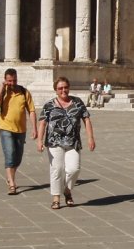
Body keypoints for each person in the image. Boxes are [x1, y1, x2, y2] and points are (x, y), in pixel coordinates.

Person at [36, 77, 95, 210]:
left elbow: (86, 119)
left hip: (73, 141)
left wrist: (90, 138)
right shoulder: (49, 105)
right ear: (56, 90)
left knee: (74, 169)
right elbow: (42, 123)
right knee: (57, 170)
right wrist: (39, 140)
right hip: (54, 142)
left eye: (65, 87)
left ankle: (67, 190)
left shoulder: (77, 102)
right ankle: (56, 198)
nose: (63, 90)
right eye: (60, 88)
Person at [0, 68, 37, 195]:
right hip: (5, 127)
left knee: (18, 157)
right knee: (10, 154)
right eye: (9, 81)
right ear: (5, 80)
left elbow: (31, 111)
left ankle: (10, 176)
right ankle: (12, 183)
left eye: (14, 80)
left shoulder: (24, 92)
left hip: (21, 129)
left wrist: (34, 128)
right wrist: (1, 87)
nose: (12, 83)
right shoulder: (3, 91)